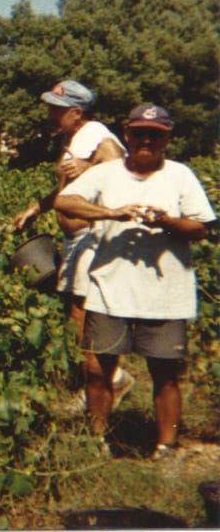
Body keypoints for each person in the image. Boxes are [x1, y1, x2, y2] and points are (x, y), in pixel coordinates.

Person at [54, 104, 215, 459]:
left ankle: (166, 448)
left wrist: (167, 222)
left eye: (155, 134)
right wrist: (110, 213)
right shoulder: (106, 174)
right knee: (97, 371)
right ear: (126, 134)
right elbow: (65, 201)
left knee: (166, 375)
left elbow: (201, 227)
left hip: (165, 294)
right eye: (140, 132)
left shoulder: (180, 176)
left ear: (166, 139)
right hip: (108, 290)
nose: (146, 140)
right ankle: (98, 442)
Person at [10, 80, 131, 404]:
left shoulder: (95, 134)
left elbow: (122, 163)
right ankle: (102, 381)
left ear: (76, 112)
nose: (50, 115)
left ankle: (107, 383)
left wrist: (89, 164)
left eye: (56, 110)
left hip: (93, 237)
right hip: (76, 239)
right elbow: (68, 192)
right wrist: (37, 207)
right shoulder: (72, 137)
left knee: (83, 316)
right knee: (75, 316)